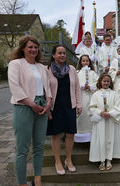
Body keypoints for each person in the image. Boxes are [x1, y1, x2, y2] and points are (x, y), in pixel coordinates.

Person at [8, 35, 51, 186]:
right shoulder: (15, 64)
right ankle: (22, 183)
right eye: (30, 47)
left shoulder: (41, 66)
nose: (33, 49)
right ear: (23, 49)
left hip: (42, 107)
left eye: (35, 47)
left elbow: (47, 88)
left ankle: (37, 179)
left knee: (39, 146)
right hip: (24, 107)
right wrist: (32, 104)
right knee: (23, 148)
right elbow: (15, 87)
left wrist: (48, 104)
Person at [47, 45, 82, 175]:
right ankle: (57, 161)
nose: (62, 55)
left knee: (70, 134)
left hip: (70, 105)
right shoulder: (47, 70)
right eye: (59, 53)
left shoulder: (71, 69)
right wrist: (47, 107)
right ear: (53, 55)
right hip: (54, 107)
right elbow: (46, 90)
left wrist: (79, 104)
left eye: (63, 53)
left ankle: (68, 159)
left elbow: (77, 89)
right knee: (56, 134)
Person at [89, 73, 120, 171]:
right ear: (100, 82)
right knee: (101, 140)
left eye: (108, 81)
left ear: (110, 82)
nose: (106, 83)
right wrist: (100, 112)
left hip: (111, 120)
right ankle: (101, 160)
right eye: (104, 81)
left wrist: (110, 113)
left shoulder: (114, 94)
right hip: (100, 121)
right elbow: (92, 107)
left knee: (110, 139)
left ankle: (109, 159)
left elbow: (118, 107)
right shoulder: (96, 94)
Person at [74, 55, 99, 143]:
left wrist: (91, 87)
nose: (85, 62)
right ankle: (80, 135)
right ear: (80, 62)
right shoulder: (77, 72)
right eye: (83, 61)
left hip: (91, 95)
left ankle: (91, 135)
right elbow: (74, 83)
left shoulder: (93, 73)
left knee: (90, 113)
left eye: (87, 61)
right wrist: (82, 86)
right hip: (81, 95)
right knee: (82, 114)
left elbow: (98, 83)